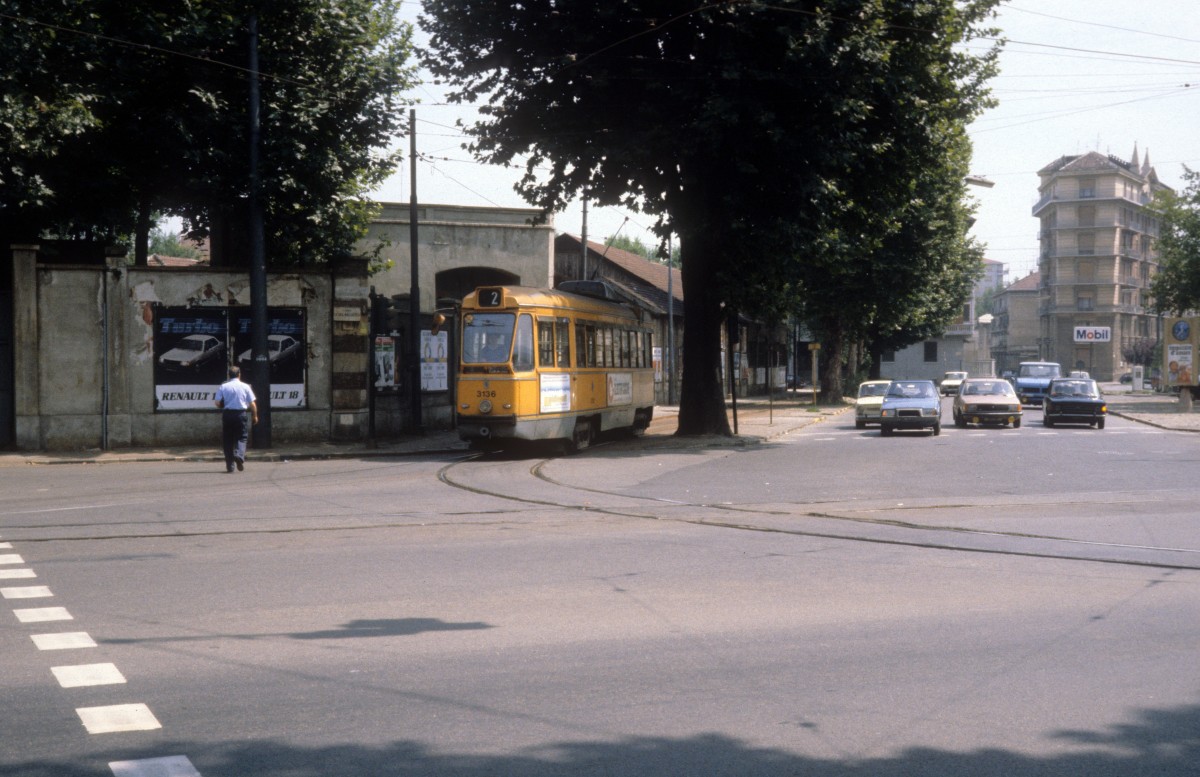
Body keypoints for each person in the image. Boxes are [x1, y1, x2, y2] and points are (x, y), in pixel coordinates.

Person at [214, 365, 258, 473]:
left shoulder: (223, 386)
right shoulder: (245, 386)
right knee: (242, 437)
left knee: (228, 440)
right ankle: (238, 455)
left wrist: (223, 406)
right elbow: (252, 404)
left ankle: (230, 466)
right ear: (239, 375)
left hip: (227, 415)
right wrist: (255, 416)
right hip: (240, 414)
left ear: (229, 375)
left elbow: (217, 402)